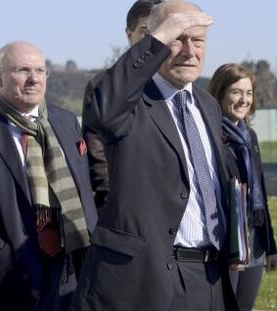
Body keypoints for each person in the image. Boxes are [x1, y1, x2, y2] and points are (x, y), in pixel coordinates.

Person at [72, 1, 238, 310]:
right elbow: (103, 113)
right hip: (147, 279)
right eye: (178, 38)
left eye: (198, 40)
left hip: (211, 275)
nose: (189, 50)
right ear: (155, 38)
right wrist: (159, 40)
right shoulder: (129, 100)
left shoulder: (207, 105)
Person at [0, 41, 98, 310]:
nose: (33, 78)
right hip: (10, 273)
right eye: (22, 70)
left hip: (71, 266)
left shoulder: (65, 121)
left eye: (40, 71)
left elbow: (84, 187)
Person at [207, 63, 277, 310]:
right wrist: (228, 247)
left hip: (254, 241)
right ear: (220, 93)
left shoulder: (250, 137)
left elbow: (261, 192)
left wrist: (270, 247)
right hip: (226, 244)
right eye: (236, 92)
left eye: (249, 93)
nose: (244, 99)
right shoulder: (210, 135)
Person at [83, 0, 162, 212]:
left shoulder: (176, 85)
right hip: (122, 203)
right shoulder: (104, 84)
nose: (153, 40)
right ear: (129, 34)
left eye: (160, 32)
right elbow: (96, 148)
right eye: (145, 32)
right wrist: (111, 195)